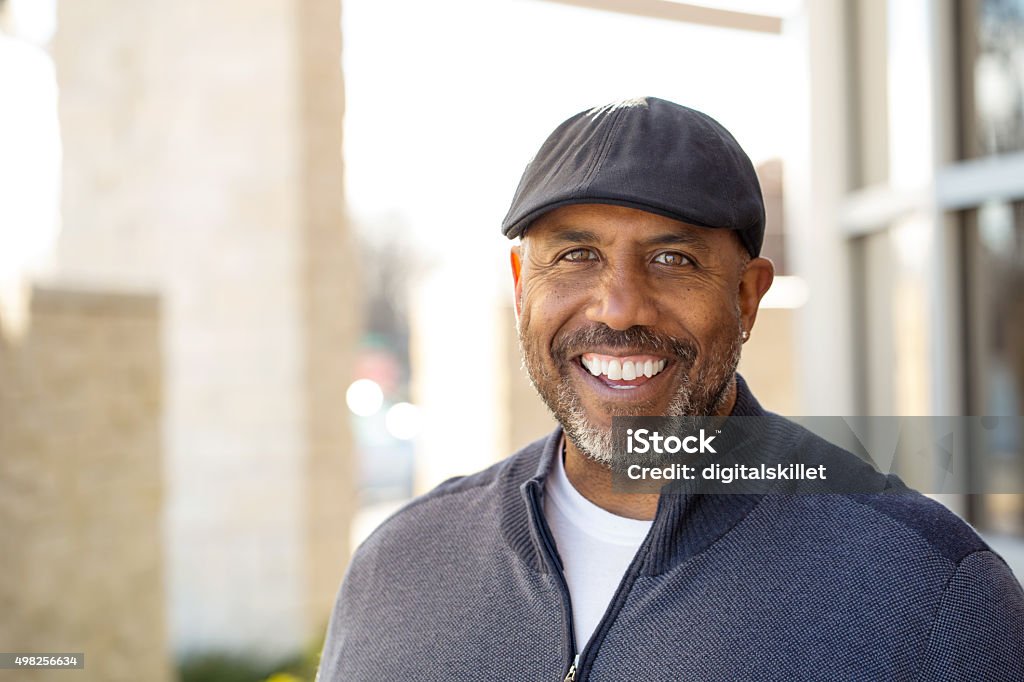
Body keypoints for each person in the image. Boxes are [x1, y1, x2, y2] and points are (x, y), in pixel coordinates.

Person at [317, 97, 1024, 681]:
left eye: (672, 258)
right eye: (576, 255)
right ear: (519, 288)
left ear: (747, 298)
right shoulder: (399, 566)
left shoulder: (930, 591)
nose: (619, 307)